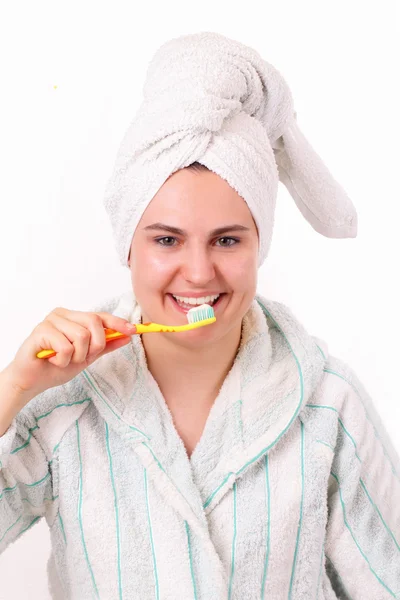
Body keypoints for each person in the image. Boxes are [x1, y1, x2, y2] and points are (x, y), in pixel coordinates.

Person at [1, 32, 399, 600]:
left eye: (227, 241)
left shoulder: (328, 409)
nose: (197, 272)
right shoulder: (63, 401)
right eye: (167, 239)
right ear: (129, 248)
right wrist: (14, 387)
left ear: (259, 247)